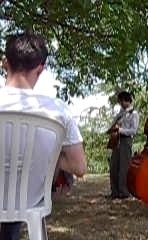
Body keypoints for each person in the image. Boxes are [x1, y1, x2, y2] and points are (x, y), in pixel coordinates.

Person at [0, 32, 86, 240]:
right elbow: (79, 167)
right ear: (41, 68)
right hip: (28, 203)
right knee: (17, 202)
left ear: (5, 63)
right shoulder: (58, 112)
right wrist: (47, 155)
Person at [106, 91, 139, 199]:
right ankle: (114, 192)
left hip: (126, 141)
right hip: (116, 141)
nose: (120, 104)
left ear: (126, 100)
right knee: (114, 166)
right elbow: (113, 124)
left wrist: (120, 130)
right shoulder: (121, 113)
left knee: (124, 168)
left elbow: (133, 130)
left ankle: (124, 192)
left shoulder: (134, 113)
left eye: (121, 101)